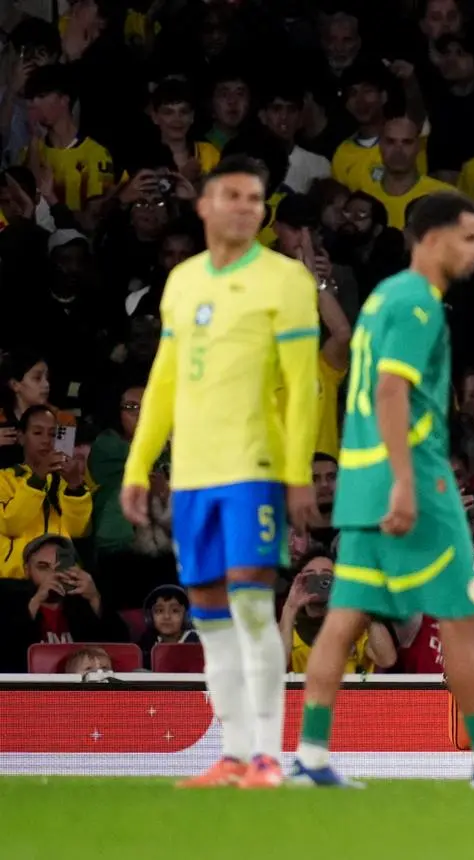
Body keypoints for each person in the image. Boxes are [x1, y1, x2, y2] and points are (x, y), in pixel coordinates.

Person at [290, 195, 474, 789]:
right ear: (432, 239)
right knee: (462, 618)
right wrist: (407, 485)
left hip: (362, 483)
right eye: (467, 238)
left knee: (345, 618)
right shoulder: (417, 305)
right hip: (412, 480)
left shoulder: (383, 296)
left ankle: (309, 756)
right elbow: (390, 392)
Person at [120, 155, 322, 789]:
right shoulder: (182, 282)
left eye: (254, 198)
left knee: (252, 607)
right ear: (203, 205)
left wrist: (294, 473)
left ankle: (267, 755)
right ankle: (234, 754)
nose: (243, 206)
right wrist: (137, 464)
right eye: (230, 195)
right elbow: (163, 382)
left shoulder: (286, 281)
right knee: (208, 617)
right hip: (191, 478)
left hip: (252, 469)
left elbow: (303, 386)